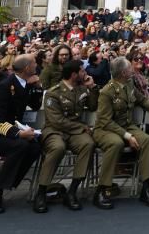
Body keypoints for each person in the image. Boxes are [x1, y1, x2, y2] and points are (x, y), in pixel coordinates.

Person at [0, 54, 43, 214]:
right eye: (34, 63)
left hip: (10, 133)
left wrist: (37, 86)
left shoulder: (24, 84)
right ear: (27, 68)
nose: (36, 65)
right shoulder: (5, 86)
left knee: (35, 147)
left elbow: (34, 104)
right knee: (20, 145)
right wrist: (18, 134)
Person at [92, 56, 149, 208]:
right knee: (116, 144)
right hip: (107, 129)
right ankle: (102, 189)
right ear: (123, 72)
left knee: (147, 140)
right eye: (130, 67)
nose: (132, 69)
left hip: (126, 125)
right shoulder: (106, 92)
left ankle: (146, 187)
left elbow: (142, 99)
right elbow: (105, 121)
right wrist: (127, 135)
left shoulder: (129, 84)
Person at [36, 60, 98, 213]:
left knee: (88, 144)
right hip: (55, 130)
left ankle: (72, 192)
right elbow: (56, 121)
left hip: (74, 132)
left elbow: (92, 106)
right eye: (82, 71)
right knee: (58, 147)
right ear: (74, 74)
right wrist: (82, 127)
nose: (85, 73)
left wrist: (93, 88)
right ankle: (41, 192)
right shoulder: (53, 92)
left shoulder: (81, 89)